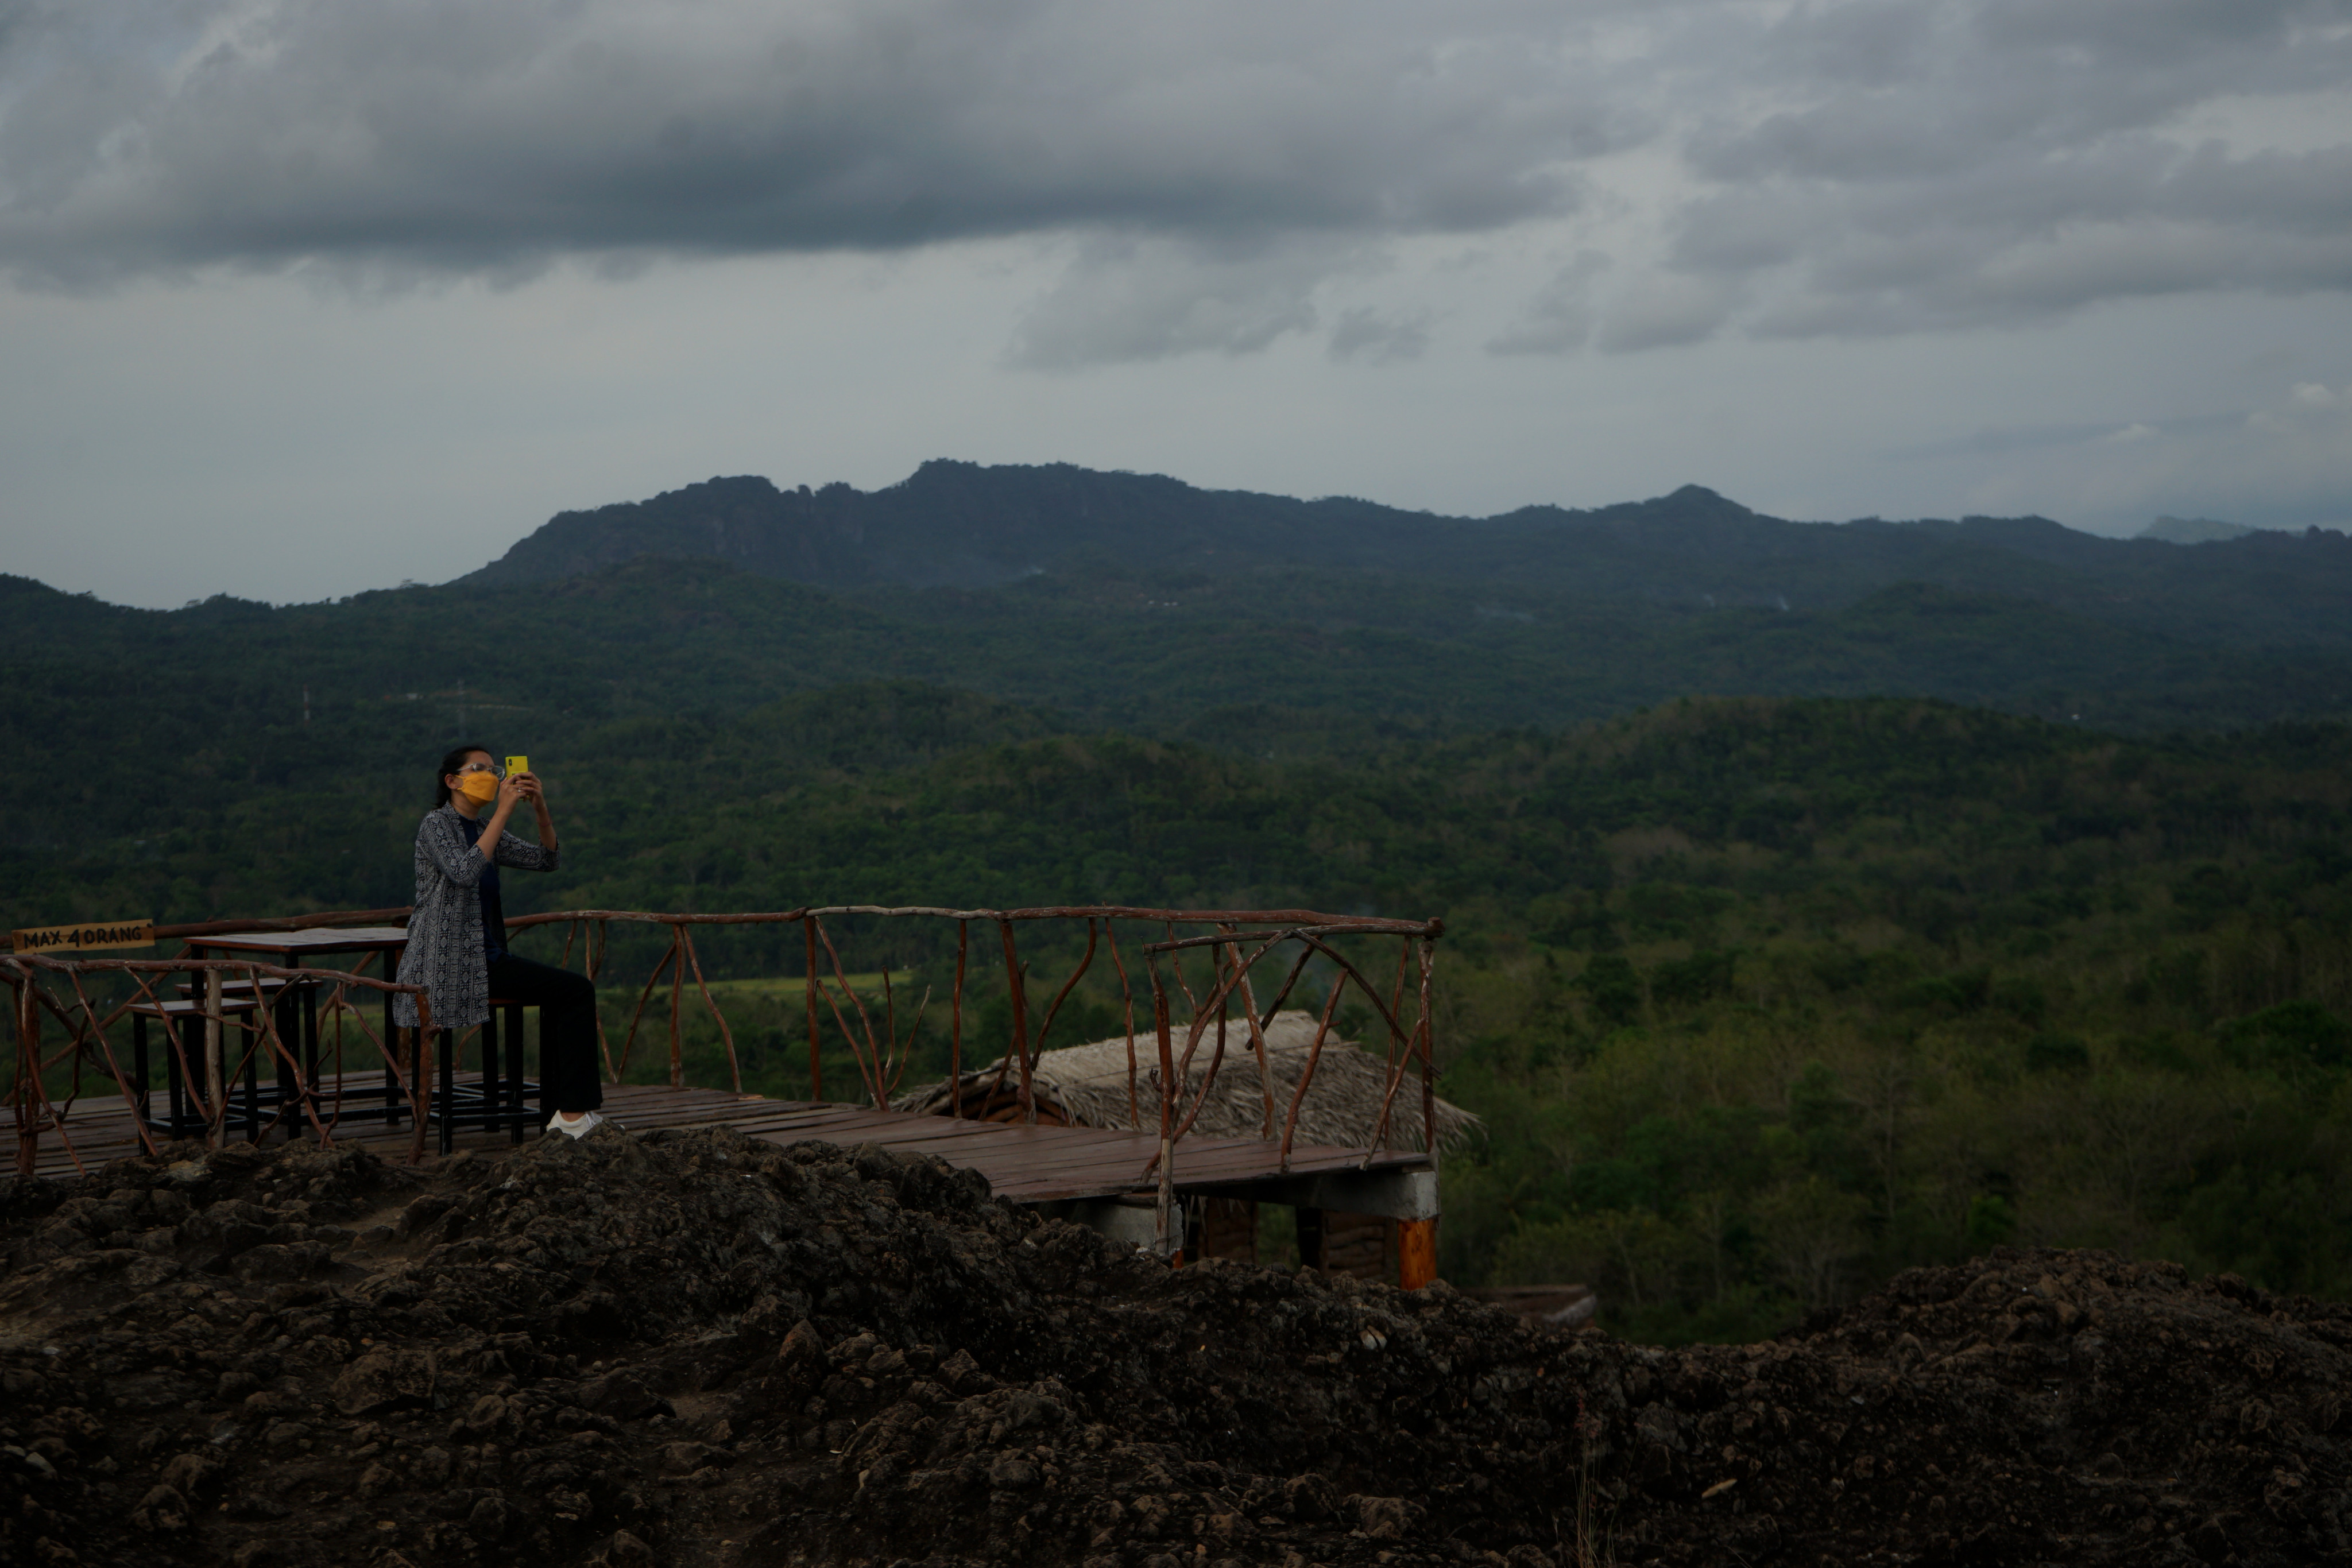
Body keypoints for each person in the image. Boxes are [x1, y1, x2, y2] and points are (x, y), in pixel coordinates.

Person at [394, 745, 608, 1137]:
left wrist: (539, 807)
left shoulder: (483, 828)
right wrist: (505, 811)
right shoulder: (436, 825)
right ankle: (572, 1115)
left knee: (569, 993)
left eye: (494, 769)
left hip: (485, 958)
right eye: (479, 768)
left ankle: (569, 1111)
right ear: (452, 781)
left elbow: (547, 859)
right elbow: (463, 870)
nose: (491, 775)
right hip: (449, 963)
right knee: (575, 991)